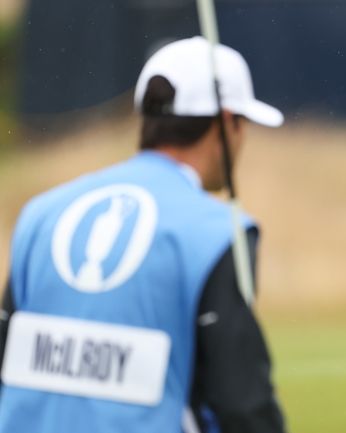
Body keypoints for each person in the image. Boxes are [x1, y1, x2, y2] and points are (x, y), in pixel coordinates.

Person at [0, 36, 286, 433]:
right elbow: (242, 404)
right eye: (244, 124)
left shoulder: (41, 212)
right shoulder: (219, 232)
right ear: (226, 123)